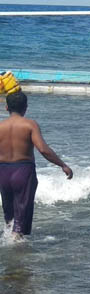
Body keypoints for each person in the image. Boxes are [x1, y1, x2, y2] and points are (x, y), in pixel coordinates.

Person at [0, 91, 73, 239]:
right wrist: (62, 165)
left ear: (6, 107)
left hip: (3, 172)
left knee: (9, 213)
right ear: (25, 107)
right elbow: (43, 149)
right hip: (23, 171)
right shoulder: (29, 125)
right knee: (22, 212)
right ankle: (17, 248)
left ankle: (9, 242)